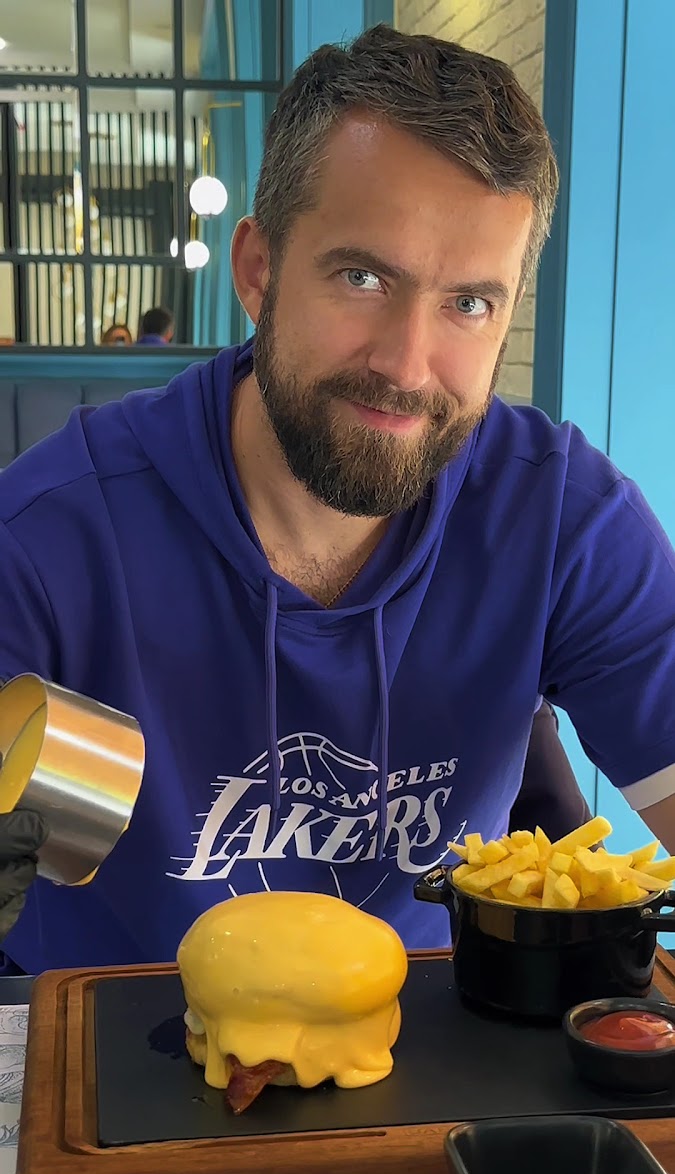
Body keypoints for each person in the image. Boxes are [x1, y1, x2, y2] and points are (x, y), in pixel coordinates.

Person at [0, 24, 673, 974]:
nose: (407, 365)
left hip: (431, 1040)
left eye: (468, 304)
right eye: (362, 277)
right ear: (258, 270)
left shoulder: (562, 521)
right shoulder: (48, 539)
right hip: (120, 1043)